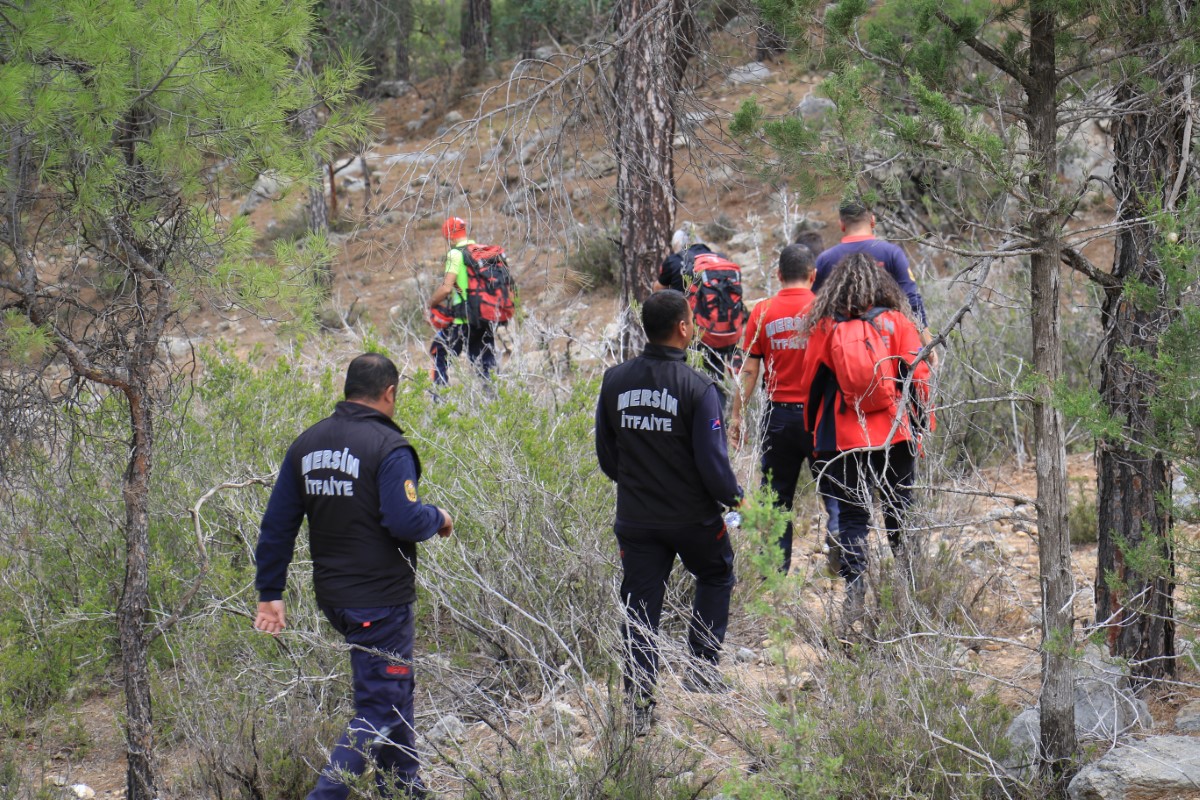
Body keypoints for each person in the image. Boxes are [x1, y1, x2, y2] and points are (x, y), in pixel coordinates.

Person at [254, 353, 453, 799]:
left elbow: (277, 524)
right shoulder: (388, 447)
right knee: (380, 705)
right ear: (390, 393)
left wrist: (271, 591)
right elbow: (403, 520)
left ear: (348, 390)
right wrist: (436, 516)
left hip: (338, 601)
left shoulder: (308, 444)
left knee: (394, 695)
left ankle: (405, 793)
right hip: (379, 604)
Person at [594, 290, 742, 736]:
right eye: (692, 320)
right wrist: (737, 501)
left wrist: (641, 484)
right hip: (693, 518)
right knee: (716, 574)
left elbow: (607, 457)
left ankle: (640, 707)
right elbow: (714, 466)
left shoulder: (614, 380)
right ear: (683, 328)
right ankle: (701, 668)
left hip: (637, 519)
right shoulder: (699, 388)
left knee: (639, 609)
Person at [799, 254, 934, 633]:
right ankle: (910, 594)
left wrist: (815, 437)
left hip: (844, 437)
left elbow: (812, 386)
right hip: (896, 434)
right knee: (899, 513)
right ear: (881, 287)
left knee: (855, 518)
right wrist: (921, 428)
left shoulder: (825, 326)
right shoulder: (899, 323)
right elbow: (920, 379)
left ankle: (855, 598)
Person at [728, 244, 839, 575]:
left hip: (779, 416)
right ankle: (838, 537)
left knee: (776, 500)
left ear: (778, 275)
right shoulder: (826, 309)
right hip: (821, 417)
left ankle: (772, 576)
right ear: (813, 275)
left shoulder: (762, 312)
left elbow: (749, 371)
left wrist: (736, 415)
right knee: (834, 487)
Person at [813, 202, 935, 362]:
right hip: (891, 352)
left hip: (843, 357)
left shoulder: (826, 260)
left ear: (841, 224)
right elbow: (912, 300)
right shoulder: (892, 254)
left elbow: (815, 309)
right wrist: (927, 345)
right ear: (872, 220)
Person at [656, 227, 743, 395]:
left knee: (688, 382)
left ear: (677, 245)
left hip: (692, 333)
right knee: (713, 380)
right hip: (723, 331)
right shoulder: (721, 259)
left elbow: (657, 290)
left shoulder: (675, 260)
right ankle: (716, 416)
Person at [428, 216, 496, 385]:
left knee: (439, 353)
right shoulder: (482, 252)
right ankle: (493, 400)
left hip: (463, 319)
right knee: (485, 363)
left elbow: (446, 288)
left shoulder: (455, 254)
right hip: (485, 317)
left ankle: (440, 401)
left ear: (449, 235)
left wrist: (431, 303)